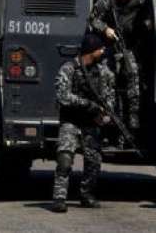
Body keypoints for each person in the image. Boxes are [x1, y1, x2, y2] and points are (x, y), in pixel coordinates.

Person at [51, 32, 116, 213]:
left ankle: (87, 195)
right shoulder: (68, 69)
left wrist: (105, 116)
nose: (103, 51)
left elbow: (110, 98)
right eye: (100, 48)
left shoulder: (104, 72)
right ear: (91, 50)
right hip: (71, 120)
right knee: (65, 159)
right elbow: (63, 97)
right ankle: (59, 197)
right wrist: (88, 105)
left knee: (93, 160)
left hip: (91, 122)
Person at [87, 0, 147, 131]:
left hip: (129, 46)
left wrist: (147, 23)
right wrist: (105, 29)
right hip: (110, 46)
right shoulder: (106, 1)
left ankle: (133, 117)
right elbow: (93, 19)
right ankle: (110, 117)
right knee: (108, 80)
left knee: (133, 76)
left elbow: (152, 8)